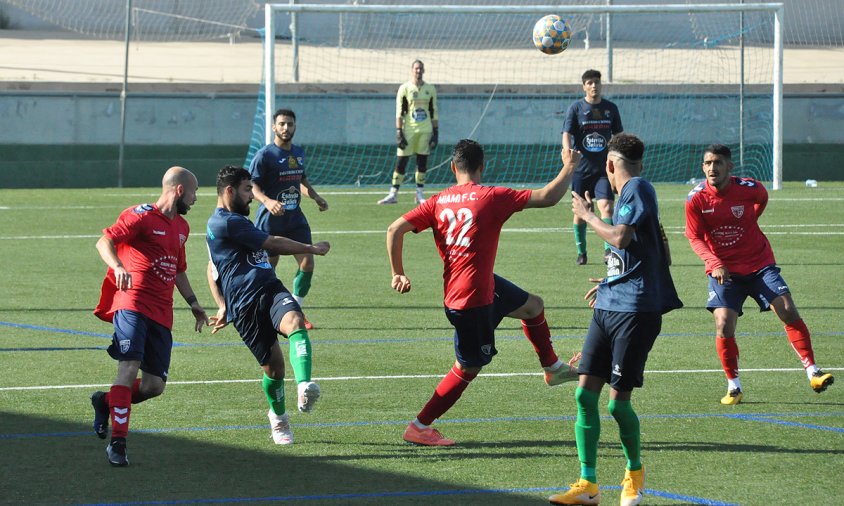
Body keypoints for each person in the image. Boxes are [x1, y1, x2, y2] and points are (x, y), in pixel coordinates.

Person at [386, 139, 581, 447]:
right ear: (482, 166)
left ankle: (552, 368)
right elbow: (547, 196)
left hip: (476, 288)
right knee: (468, 366)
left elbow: (394, 229)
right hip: (471, 302)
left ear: (453, 167)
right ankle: (419, 425)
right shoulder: (491, 197)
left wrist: (398, 272)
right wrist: (569, 166)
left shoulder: (437, 201)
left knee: (532, 306)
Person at [550, 133, 682, 506]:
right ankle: (588, 485)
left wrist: (588, 215)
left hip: (636, 311)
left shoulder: (638, 188)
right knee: (584, 394)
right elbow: (645, 251)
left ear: (610, 165)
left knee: (616, 403)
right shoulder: (630, 196)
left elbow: (622, 239)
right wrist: (612, 279)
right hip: (610, 305)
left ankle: (634, 475)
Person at [684, 144, 834, 406]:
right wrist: (714, 261)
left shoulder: (749, 188)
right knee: (723, 324)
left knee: (787, 308)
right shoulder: (696, 198)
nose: (711, 168)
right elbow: (694, 236)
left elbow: (761, 201)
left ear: (729, 167)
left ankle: (813, 372)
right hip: (724, 270)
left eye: (717, 162)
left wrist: (750, 221)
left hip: (759, 263)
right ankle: (734, 386)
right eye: (707, 163)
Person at [90, 166, 208, 467]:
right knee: (128, 368)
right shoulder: (140, 215)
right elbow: (104, 242)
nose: (195, 199)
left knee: (153, 386)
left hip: (161, 312)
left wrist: (193, 302)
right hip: (131, 304)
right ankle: (118, 442)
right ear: (179, 190)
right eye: (193, 192)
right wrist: (118, 267)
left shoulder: (182, 227)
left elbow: (178, 269)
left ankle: (105, 402)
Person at [206, 165, 330, 445]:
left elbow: (211, 267)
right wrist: (311, 248)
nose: (252, 195)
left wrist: (220, 304)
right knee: (274, 370)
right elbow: (271, 243)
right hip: (245, 305)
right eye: (247, 189)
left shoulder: (233, 221)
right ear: (229, 191)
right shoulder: (225, 222)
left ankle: (304, 385)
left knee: (296, 322)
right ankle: (278, 419)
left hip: (270, 288)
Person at [249, 108, 328, 330]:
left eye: (290, 124)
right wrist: (267, 201)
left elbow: (301, 180)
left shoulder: (298, 153)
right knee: (267, 270)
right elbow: (251, 185)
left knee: (308, 261)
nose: (286, 128)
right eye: (282, 124)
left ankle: (296, 310)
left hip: (295, 221)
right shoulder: (265, 155)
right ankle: (263, 311)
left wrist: (315, 197)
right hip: (269, 222)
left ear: (295, 127)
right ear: (274, 127)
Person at [562, 69, 623, 265]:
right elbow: (567, 132)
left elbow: (619, 136)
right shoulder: (576, 108)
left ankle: (608, 251)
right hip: (581, 170)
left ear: (600, 84)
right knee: (580, 212)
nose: (593, 85)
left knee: (606, 207)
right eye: (589, 82)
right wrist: (567, 150)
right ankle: (582, 252)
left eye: (596, 82)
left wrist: (619, 157)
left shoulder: (610, 108)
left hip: (604, 170)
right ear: (584, 86)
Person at [377, 59, 438, 205]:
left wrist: (436, 132)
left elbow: (434, 111)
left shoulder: (430, 89)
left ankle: (419, 194)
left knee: (422, 162)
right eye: (416, 68)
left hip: (425, 130)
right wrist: (399, 132)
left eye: (420, 68)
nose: (418, 71)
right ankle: (393, 194)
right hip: (408, 130)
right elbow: (399, 112)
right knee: (401, 162)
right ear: (412, 70)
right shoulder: (404, 88)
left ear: (424, 70)